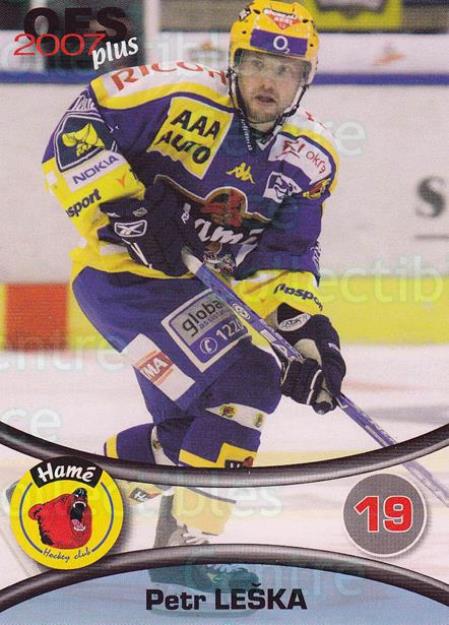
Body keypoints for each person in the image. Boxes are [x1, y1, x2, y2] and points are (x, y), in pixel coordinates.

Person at [42, 0, 346, 592]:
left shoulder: (310, 158)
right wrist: (126, 209)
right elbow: (75, 132)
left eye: (286, 71)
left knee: (192, 432)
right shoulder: (174, 94)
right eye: (257, 64)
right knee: (249, 382)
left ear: (305, 79)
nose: (269, 82)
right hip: (121, 280)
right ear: (233, 62)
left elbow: (281, 257)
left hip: (189, 292)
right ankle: (187, 550)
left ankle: (54, 501)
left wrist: (306, 333)